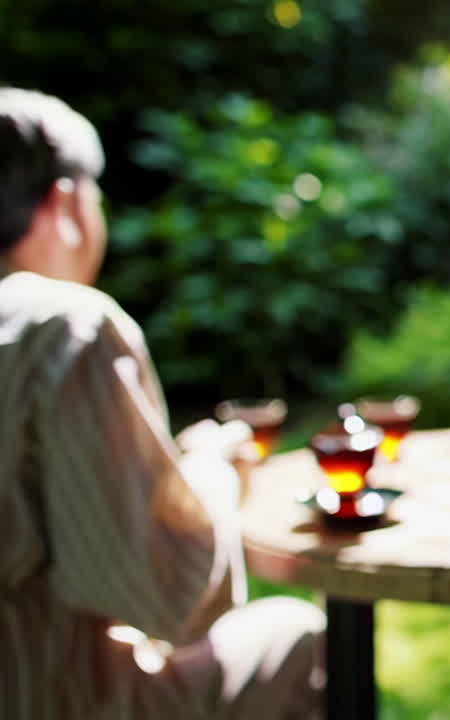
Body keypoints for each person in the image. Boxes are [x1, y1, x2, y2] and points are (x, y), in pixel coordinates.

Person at [0, 87, 325, 719]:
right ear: (66, 201)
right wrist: (209, 471)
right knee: (298, 635)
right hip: (51, 698)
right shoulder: (63, 328)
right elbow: (167, 601)